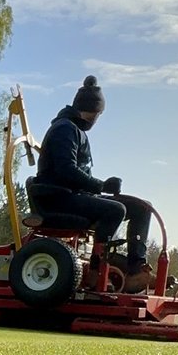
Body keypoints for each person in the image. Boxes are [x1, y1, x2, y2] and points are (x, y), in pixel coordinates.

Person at [31, 75, 154, 294]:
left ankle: (135, 269)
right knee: (115, 210)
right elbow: (65, 170)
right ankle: (97, 271)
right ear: (93, 111)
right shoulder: (65, 129)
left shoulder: (75, 131)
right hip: (58, 198)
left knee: (142, 207)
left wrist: (100, 187)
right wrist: (101, 186)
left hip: (73, 195)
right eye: (98, 114)